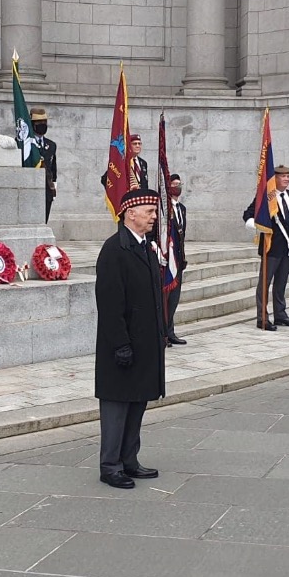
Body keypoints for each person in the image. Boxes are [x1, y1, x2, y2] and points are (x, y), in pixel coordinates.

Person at [95, 188, 166, 489]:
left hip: (145, 344)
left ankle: (129, 460)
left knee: (137, 403)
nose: (153, 217)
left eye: (154, 211)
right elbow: (109, 304)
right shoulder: (114, 249)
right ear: (130, 213)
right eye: (149, 211)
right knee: (116, 407)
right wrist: (121, 344)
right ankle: (110, 465)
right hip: (122, 347)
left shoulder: (145, 246)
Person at [242, 165, 289, 330]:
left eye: (288, 176)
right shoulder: (266, 197)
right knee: (265, 284)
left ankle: (280, 315)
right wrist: (257, 226)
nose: (286, 179)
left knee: (281, 283)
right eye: (283, 176)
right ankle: (262, 318)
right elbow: (248, 214)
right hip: (271, 247)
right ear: (274, 178)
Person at [165, 174, 188, 346]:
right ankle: (163, 333)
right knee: (165, 299)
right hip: (167, 260)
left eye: (179, 184)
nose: (177, 187)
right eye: (174, 184)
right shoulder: (164, 209)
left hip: (178, 260)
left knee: (174, 299)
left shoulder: (182, 209)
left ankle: (170, 331)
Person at [31, 107, 58, 223]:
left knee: (44, 221)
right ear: (32, 124)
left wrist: (53, 189)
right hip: (31, 190)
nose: (42, 124)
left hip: (46, 191)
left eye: (44, 122)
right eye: (39, 122)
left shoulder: (51, 145)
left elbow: (53, 169)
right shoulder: (25, 144)